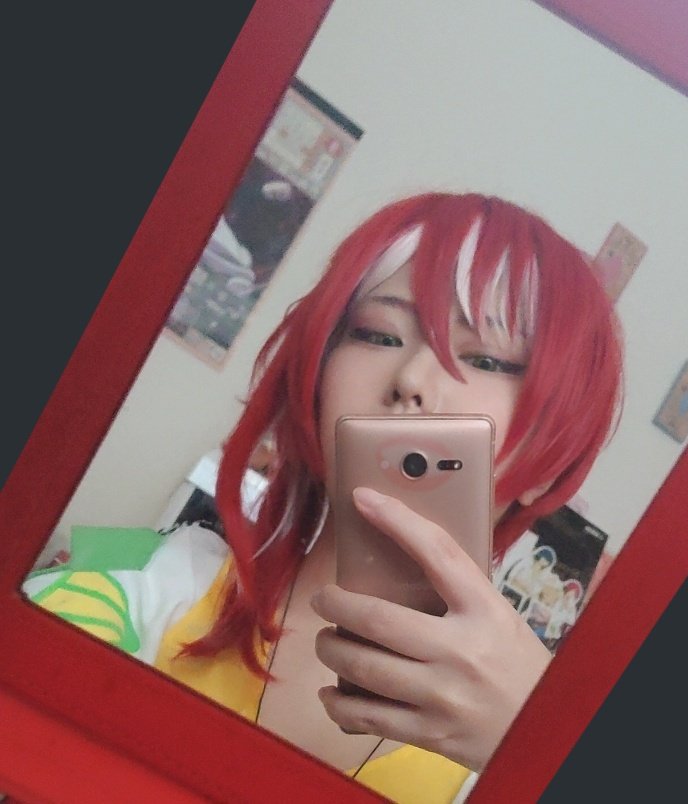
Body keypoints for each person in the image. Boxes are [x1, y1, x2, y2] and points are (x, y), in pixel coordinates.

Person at [23, 191, 623, 803]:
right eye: (379, 334)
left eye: (487, 359)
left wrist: (537, 750)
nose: (412, 380)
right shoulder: (149, 590)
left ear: (557, 452)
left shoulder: (516, 756)